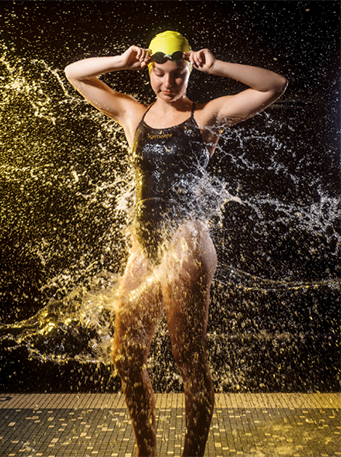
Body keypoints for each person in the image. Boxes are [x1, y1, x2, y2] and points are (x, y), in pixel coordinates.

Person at [65, 30, 287, 457]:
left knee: (189, 361)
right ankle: (145, 451)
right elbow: (74, 74)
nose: (169, 84)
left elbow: (274, 85)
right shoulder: (132, 116)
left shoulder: (206, 118)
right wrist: (118, 60)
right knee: (126, 359)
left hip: (186, 245)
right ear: (149, 69)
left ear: (189, 72)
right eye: (161, 74)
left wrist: (216, 65)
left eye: (179, 75)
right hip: (143, 248)